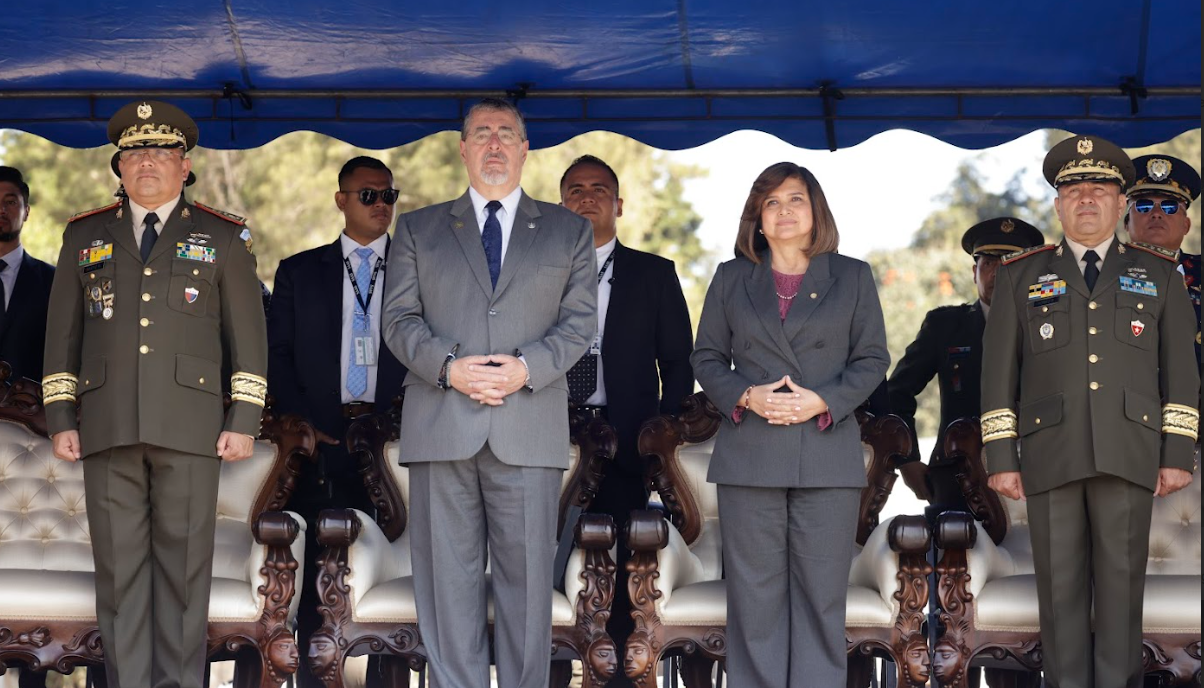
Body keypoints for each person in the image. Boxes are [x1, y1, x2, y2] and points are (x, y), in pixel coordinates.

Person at [42, 100, 268, 688]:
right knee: (118, 580)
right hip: (107, 423)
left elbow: (248, 339)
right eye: (135, 152)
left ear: (184, 165)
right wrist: (61, 417)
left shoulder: (223, 236)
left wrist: (243, 419)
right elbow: (62, 336)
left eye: (162, 152)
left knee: (184, 580)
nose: (147, 162)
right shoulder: (83, 234)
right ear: (119, 166)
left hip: (191, 428)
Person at [380, 97, 596, 688]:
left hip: (528, 425)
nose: (494, 144)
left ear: (525, 149)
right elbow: (397, 321)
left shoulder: (569, 231)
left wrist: (526, 369)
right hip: (442, 424)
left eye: (505, 133)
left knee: (527, 590)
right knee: (446, 587)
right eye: (481, 133)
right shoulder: (418, 228)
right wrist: (450, 368)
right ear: (462, 149)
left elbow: (580, 323)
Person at [981, 135, 1198, 688]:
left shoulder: (1159, 274)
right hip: (1050, 454)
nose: (1086, 198)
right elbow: (998, 375)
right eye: (1074, 189)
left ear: (1120, 203)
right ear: (1058, 205)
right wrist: (1001, 457)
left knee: (1123, 599)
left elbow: (1181, 373)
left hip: (1129, 450)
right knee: (1059, 598)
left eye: (1099, 188)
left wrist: (1177, 453)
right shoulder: (1020, 275)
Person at [691, 162, 889, 687]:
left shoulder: (853, 276)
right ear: (756, 216)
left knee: (821, 602)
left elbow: (873, 358)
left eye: (795, 199)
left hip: (826, 456)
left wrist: (822, 401)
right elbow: (706, 357)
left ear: (815, 210)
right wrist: (747, 396)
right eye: (772, 202)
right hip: (750, 457)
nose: (784, 211)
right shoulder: (731, 277)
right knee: (753, 603)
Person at [267, 155, 408, 687]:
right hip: (321, 442)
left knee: (390, 576)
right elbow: (277, 354)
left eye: (389, 195)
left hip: (394, 447)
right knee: (316, 575)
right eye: (368, 195)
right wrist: (303, 424)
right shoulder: (300, 271)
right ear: (341, 200)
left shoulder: (417, 270)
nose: (381, 204)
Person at [558, 154, 694, 686]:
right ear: (560, 205)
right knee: (549, 565)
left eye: (599, 188)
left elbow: (678, 363)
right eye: (575, 189)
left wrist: (663, 440)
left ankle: (616, 673)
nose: (586, 197)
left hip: (627, 442)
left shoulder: (653, 274)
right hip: (550, 439)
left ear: (619, 204)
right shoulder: (538, 271)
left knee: (619, 569)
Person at [888, 217, 1044, 509]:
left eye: (1010, 263)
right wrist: (907, 460)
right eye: (989, 263)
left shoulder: (1054, 327)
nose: (998, 272)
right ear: (975, 273)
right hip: (956, 478)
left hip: (1041, 471)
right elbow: (896, 393)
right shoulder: (945, 326)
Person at [1125, 154, 1201, 366]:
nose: (1157, 213)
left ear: (1186, 225)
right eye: (1144, 206)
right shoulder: (1104, 272)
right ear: (1126, 223)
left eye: (1169, 207)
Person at [0, 166, 54, 382]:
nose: (1, 209)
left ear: (27, 212)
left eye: (11, 202)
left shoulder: (53, 281)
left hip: (30, 401)